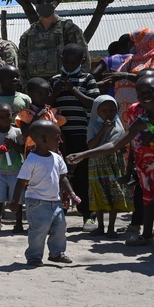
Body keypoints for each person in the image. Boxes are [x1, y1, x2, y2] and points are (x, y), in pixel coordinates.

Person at [68, 75, 154, 247]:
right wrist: (84, 154)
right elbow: (115, 144)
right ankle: (147, 236)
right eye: (140, 93)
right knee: (151, 196)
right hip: (153, 163)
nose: (146, 95)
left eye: (151, 91)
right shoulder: (142, 121)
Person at [11, 120, 75, 266]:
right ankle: (34, 256)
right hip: (36, 202)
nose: (60, 140)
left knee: (60, 228)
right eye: (56, 137)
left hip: (55, 201)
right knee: (38, 230)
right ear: (44, 139)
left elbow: (62, 177)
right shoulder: (31, 159)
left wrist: (71, 193)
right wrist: (15, 201)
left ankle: (56, 253)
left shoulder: (57, 157)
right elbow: (21, 181)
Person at [49, 44, 100, 229]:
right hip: (59, 136)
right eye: (66, 61)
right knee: (59, 175)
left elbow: (94, 104)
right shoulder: (55, 80)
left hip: (81, 134)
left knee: (82, 175)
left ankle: (87, 214)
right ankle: (57, 216)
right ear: (61, 59)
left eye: (74, 62)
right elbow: (47, 105)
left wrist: (73, 90)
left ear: (81, 62)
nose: (70, 65)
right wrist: (56, 91)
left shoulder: (87, 79)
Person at [83, 95, 130, 237]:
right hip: (97, 164)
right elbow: (91, 145)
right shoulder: (93, 125)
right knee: (99, 193)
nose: (109, 113)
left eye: (112, 110)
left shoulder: (119, 124)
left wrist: (122, 148)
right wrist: (103, 130)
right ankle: (100, 227)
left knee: (114, 193)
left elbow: (122, 143)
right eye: (104, 110)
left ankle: (111, 228)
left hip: (115, 164)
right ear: (97, 112)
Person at [17, 0, 87, 84]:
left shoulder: (68, 29)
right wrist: (27, 88)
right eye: (40, 2)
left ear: (55, 3)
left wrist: (76, 86)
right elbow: (22, 65)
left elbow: (84, 60)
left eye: (48, 1)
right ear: (36, 5)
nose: (44, 3)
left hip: (64, 88)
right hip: (37, 91)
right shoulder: (28, 35)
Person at [108, 28, 154, 121]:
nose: (130, 45)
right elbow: (119, 74)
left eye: (132, 41)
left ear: (143, 42)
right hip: (124, 109)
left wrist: (126, 76)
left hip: (143, 106)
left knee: (140, 133)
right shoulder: (131, 58)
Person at [0, 103, 25, 233]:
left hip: (16, 172)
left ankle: (18, 223)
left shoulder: (17, 132)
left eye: (7, 116)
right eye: (1, 117)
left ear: (12, 116)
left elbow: (22, 150)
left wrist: (12, 144)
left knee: (17, 199)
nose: (5, 119)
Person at [15, 77, 67, 154]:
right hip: (34, 152)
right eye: (40, 93)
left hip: (53, 152)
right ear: (30, 93)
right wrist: (37, 115)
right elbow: (25, 133)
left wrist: (65, 154)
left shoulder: (52, 112)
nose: (44, 96)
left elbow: (60, 135)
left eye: (46, 93)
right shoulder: (25, 113)